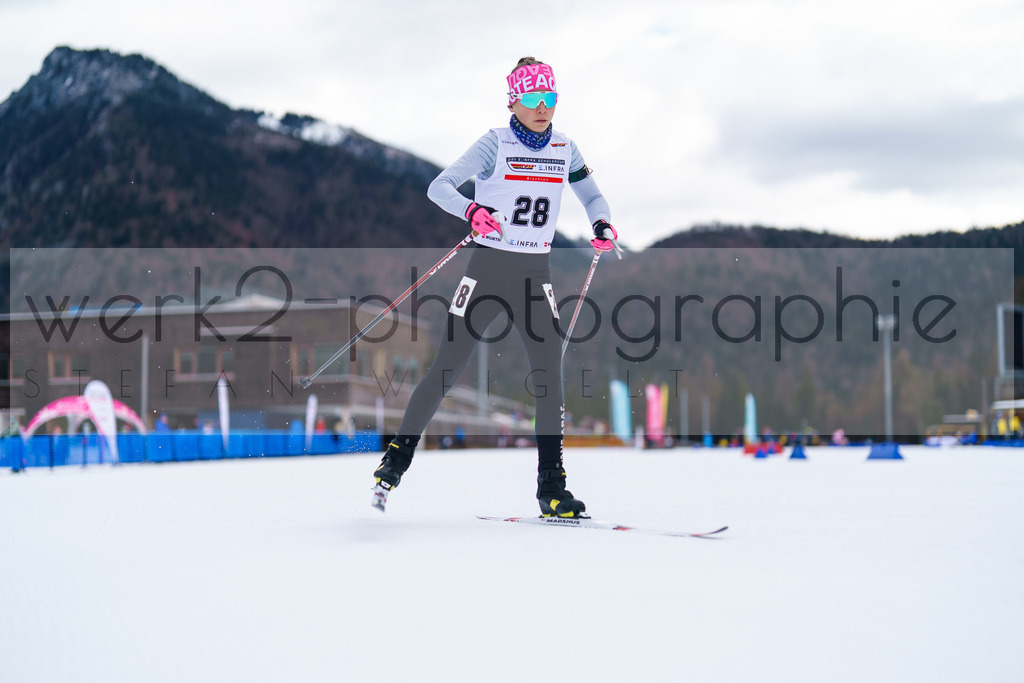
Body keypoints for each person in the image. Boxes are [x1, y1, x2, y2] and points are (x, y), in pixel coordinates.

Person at [371, 57, 617, 518]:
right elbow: (438, 186)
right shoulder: (494, 144)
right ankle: (396, 460)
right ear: (514, 100)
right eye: (533, 98)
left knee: (549, 376)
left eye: (551, 98)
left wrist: (601, 222)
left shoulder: (566, 148)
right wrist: (471, 212)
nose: (544, 107)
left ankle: (553, 489)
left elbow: (592, 195)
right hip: (486, 271)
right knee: (446, 369)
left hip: (533, 274)